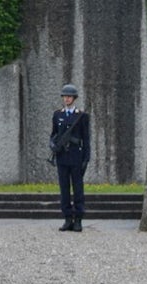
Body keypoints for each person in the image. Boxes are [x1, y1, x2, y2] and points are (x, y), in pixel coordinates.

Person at [50, 84, 90, 232]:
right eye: (64, 96)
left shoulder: (82, 116)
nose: (66, 98)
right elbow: (53, 134)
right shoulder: (57, 115)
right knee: (64, 189)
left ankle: (78, 219)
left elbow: (86, 139)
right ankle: (67, 218)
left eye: (69, 96)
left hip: (76, 156)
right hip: (62, 157)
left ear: (74, 98)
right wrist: (52, 144)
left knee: (78, 190)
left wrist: (86, 158)